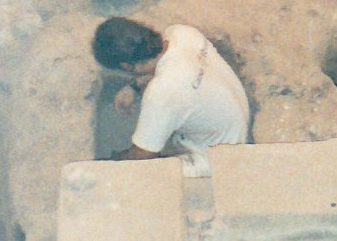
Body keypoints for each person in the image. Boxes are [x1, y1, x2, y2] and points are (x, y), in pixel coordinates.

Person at [92, 17, 249, 164]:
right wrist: (134, 86)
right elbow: (181, 74)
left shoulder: (161, 93)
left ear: (125, 66)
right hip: (235, 118)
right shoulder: (180, 32)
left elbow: (143, 154)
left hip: (221, 155)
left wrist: (114, 160)